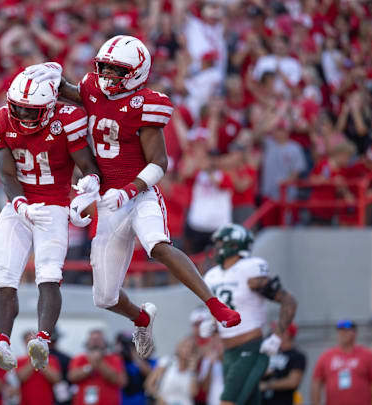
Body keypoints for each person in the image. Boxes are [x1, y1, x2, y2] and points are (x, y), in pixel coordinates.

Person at [26, 36, 240, 359]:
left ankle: (214, 303)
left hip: (139, 193)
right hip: (109, 202)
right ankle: (141, 318)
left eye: (116, 71)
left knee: (158, 245)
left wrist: (130, 189)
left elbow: (160, 163)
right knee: (105, 297)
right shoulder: (93, 88)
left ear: (137, 73)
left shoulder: (145, 104)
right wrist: (54, 81)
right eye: (105, 68)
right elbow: (74, 94)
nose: (108, 76)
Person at [0, 70, 101, 371]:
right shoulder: (1, 120)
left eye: (29, 109)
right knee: (4, 276)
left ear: (49, 106)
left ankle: (43, 338)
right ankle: (1, 341)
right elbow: (6, 172)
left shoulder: (68, 119)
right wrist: (19, 204)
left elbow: (87, 165)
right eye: (18, 106)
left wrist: (88, 189)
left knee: (48, 274)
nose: (21, 113)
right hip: (18, 205)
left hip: (54, 206)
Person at [200, 223, 298, 405]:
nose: (216, 247)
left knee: (228, 401)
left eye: (221, 242)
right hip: (228, 353)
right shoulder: (213, 275)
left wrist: (276, 337)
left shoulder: (250, 269)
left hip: (251, 348)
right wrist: (212, 324)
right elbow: (223, 308)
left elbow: (288, 301)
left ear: (235, 246)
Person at [311, 320, 372, 405]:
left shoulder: (368, 355)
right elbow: (316, 382)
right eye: (341, 331)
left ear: (355, 333)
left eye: (347, 330)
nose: (343, 333)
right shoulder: (326, 356)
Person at [68, 329, 127, 405]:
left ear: (105, 343)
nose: (95, 343)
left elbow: (121, 381)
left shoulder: (115, 359)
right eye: (92, 340)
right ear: (87, 343)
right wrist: (90, 367)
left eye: (98, 340)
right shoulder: (78, 358)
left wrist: (99, 363)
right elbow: (72, 377)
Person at [260, 323, 306, 405]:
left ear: (286, 334)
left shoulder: (297, 356)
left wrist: (266, 385)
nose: (273, 333)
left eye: (276, 331)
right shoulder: (269, 352)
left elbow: (293, 382)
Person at [145, 337, 199, 405]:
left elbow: (193, 393)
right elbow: (148, 384)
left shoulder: (192, 371)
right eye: (186, 346)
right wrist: (158, 397)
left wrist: (192, 372)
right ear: (179, 348)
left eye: (191, 348)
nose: (188, 350)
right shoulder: (167, 362)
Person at [16, 330, 62, 405]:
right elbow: (20, 378)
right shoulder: (19, 360)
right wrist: (34, 358)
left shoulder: (52, 360)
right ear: (25, 343)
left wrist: (41, 359)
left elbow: (56, 379)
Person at [116, 331, 154, 405]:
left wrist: (135, 357)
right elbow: (122, 382)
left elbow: (151, 375)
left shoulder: (148, 362)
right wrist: (118, 356)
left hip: (141, 401)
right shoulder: (117, 361)